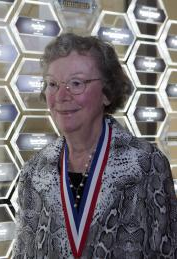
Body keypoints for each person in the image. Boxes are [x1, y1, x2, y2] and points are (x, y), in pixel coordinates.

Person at [13, 33, 177, 258]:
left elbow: (168, 251)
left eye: (76, 83)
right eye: (52, 84)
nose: (61, 95)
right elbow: (24, 252)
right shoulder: (33, 172)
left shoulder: (146, 164)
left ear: (107, 93)